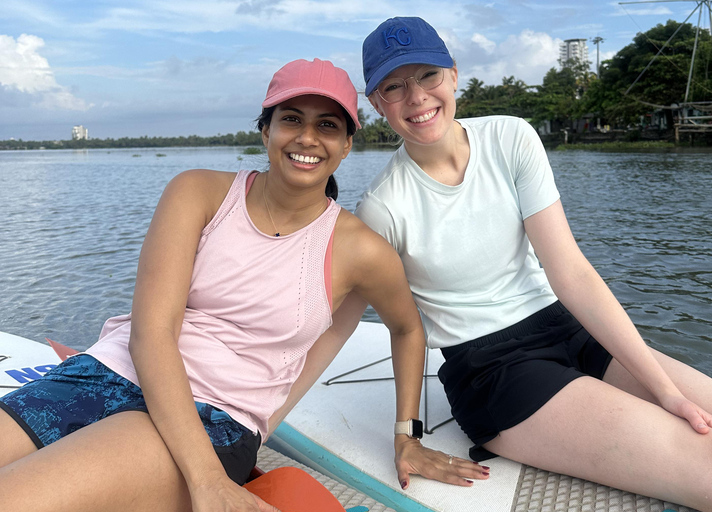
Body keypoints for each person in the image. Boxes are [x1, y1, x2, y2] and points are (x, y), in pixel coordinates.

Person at [0, 57, 487, 512]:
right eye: (292, 119)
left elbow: (407, 328)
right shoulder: (198, 192)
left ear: (347, 144)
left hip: (215, 417)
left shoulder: (360, 250)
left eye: (328, 125)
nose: (308, 137)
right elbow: (152, 332)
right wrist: (208, 486)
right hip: (100, 374)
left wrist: (407, 435)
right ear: (266, 130)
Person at [355, 16, 712, 512]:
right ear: (377, 103)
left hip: (568, 327)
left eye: (428, 75)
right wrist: (407, 436)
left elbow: (570, 273)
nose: (417, 96)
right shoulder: (382, 205)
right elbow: (403, 327)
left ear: (454, 73)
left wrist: (668, 392)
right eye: (394, 86)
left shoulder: (511, 139)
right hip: (495, 370)